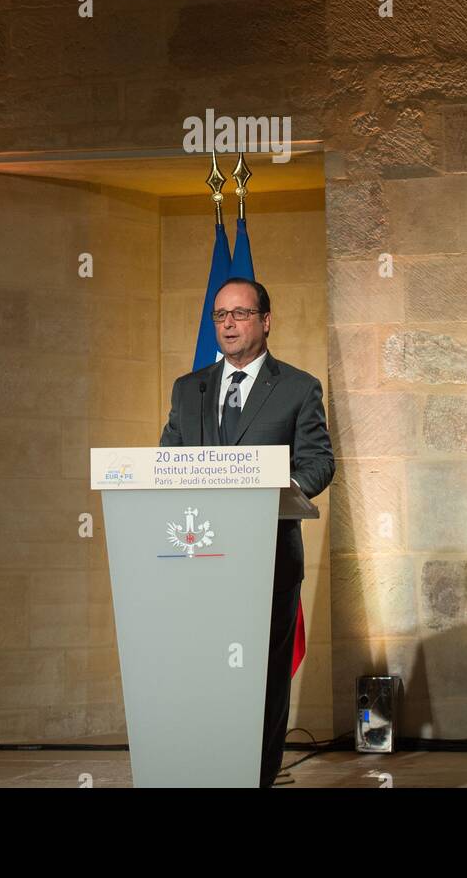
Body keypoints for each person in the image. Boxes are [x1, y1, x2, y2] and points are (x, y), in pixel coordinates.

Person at [160, 276, 335, 787]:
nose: (229, 324)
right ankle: (204, 770)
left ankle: (257, 777)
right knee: (204, 675)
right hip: (196, 559)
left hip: (268, 561)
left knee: (261, 678)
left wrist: (276, 491)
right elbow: (167, 464)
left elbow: (319, 463)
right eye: (220, 316)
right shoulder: (186, 389)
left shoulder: (298, 388)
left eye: (240, 314)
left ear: (265, 320)